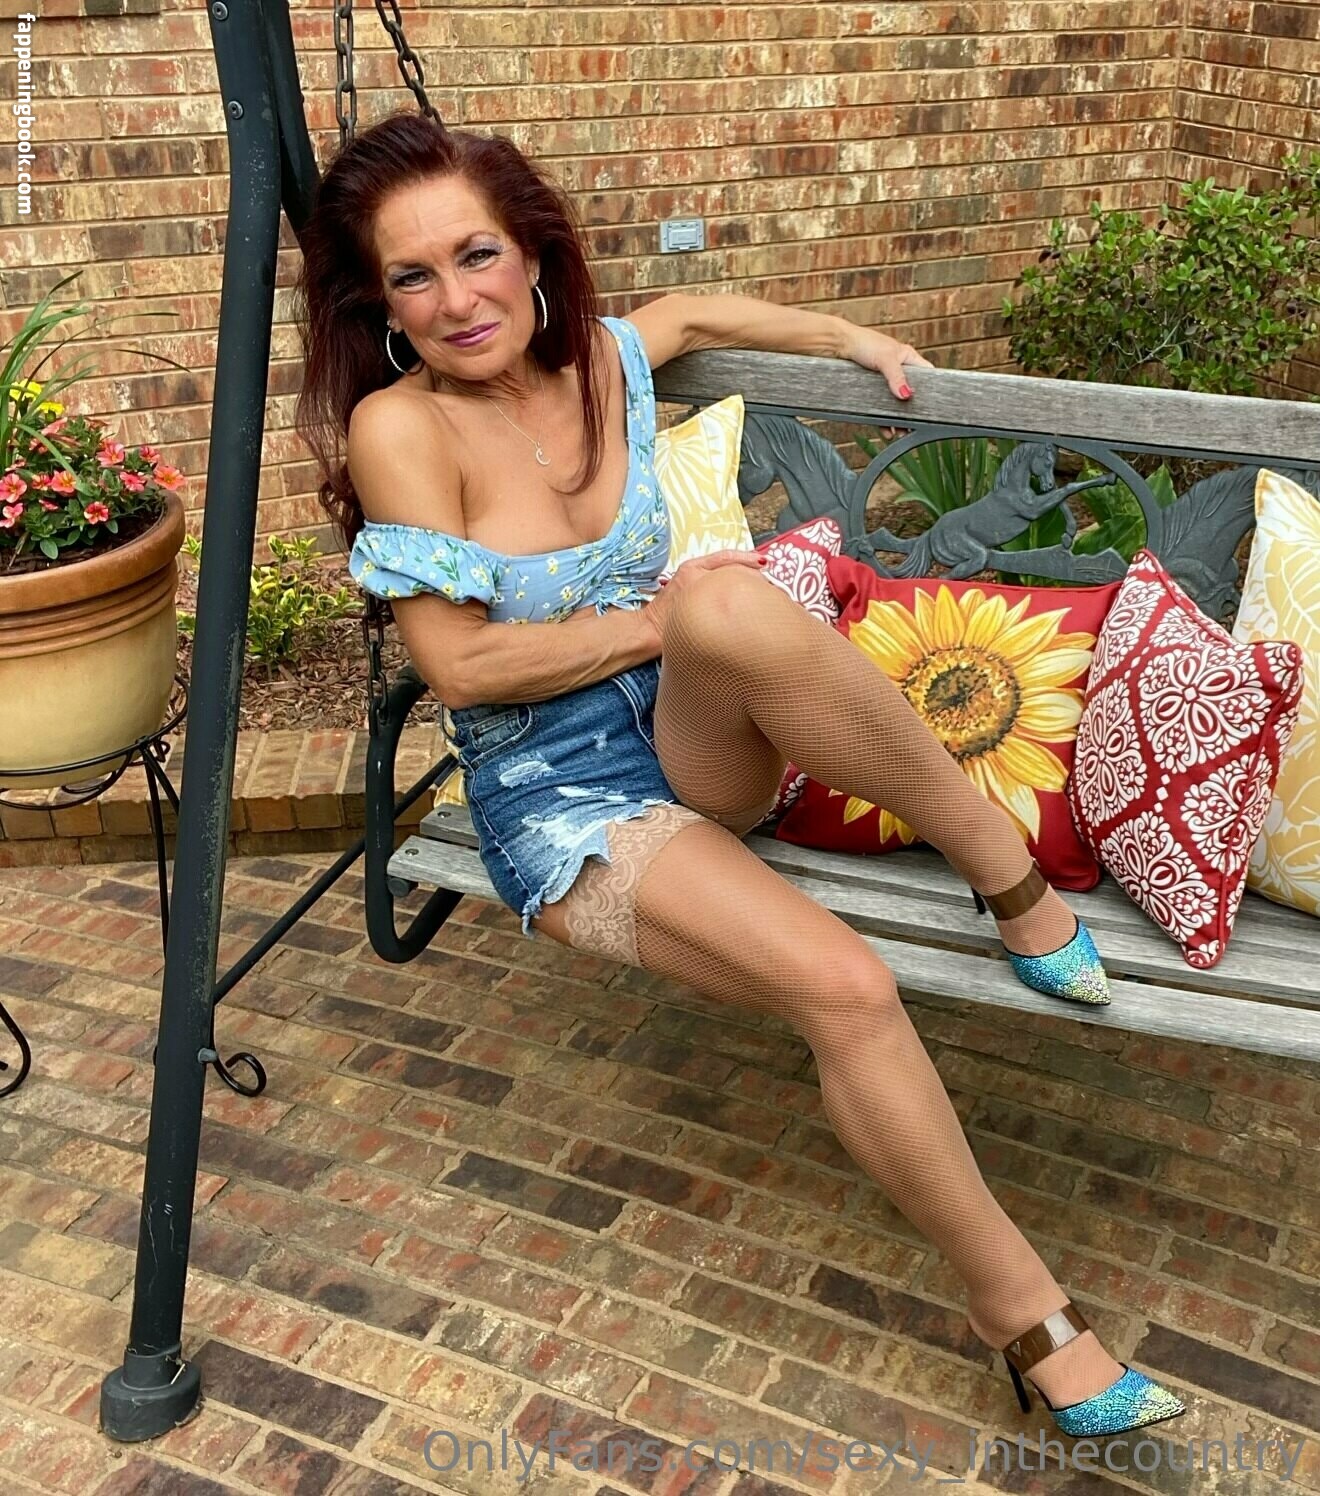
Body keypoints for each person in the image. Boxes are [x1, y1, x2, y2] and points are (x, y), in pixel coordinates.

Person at [294, 110, 1184, 1439]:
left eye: (476, 255)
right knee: (848, 984)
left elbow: (698, 312)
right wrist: (659, 618)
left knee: (721, 604)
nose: (457, 300)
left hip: (689, 733)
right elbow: (464, 671)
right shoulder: (399, 428)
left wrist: (854, 339)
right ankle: (1035, 1324)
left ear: (531, 252)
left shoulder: (603, 362)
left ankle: (1008, 877)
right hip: (562, 793)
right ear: (382, 304)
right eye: (412, 277)